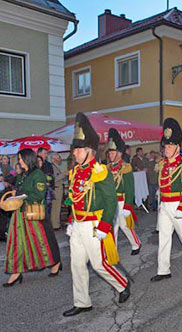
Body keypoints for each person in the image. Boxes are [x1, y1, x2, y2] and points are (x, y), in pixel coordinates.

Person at [63, 113, 130, 317]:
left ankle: (122, 284)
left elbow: (111, 201)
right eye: (74, 149)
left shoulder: (100, 171)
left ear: (89, 151)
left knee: (100, 265)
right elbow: (73, 199)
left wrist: (104, 226)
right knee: (76, 265)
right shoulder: (75, 172)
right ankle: (82, 302)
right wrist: (71, 220)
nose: (74, 153)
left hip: (94, 225)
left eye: (78, 149)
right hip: (78, 224)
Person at [3, 149, 61, 287]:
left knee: (43, 241)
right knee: (17, 243)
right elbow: (18, 189)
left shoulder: (38, 174)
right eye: (19, 159)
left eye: (21, 159)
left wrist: (23, 196)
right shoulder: (22, 174)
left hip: (34, 213)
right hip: (19, 213)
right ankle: (16, 271)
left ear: (28, 159)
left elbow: (39, 194)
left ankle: (56, 262)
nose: (20, 161)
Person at [151, 118, 182, 281]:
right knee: (163, 237)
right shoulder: (162, 164)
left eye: (170, 146)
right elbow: (161, 185)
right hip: (165, 205)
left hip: (179, 204)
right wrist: (160, 202)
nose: (166, 149)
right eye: (165, 146)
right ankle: (163, 270)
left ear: (178, 147)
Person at [106, 128, 142, 255]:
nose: (110, 155)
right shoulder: (107, 168)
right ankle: (113, 251)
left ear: (119, 153)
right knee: (112, 226)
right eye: (109, 153)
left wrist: (128, 205)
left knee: (124, 225)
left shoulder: (125, 167)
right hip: (111, 202)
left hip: (121, 201)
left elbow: (130, 188)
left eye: (112, 153)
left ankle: (136, 243)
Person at [51, 153, 66, 230]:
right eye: (59, 157)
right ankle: (55, 225)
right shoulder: (52, 167)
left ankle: (56, 224)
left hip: (58, 189)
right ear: (55, 158)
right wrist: (63, 174)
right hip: (56, 189)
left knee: (57, 208)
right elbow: (54, 179)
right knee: (55, 208)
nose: (60, 159)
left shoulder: (55, 167)